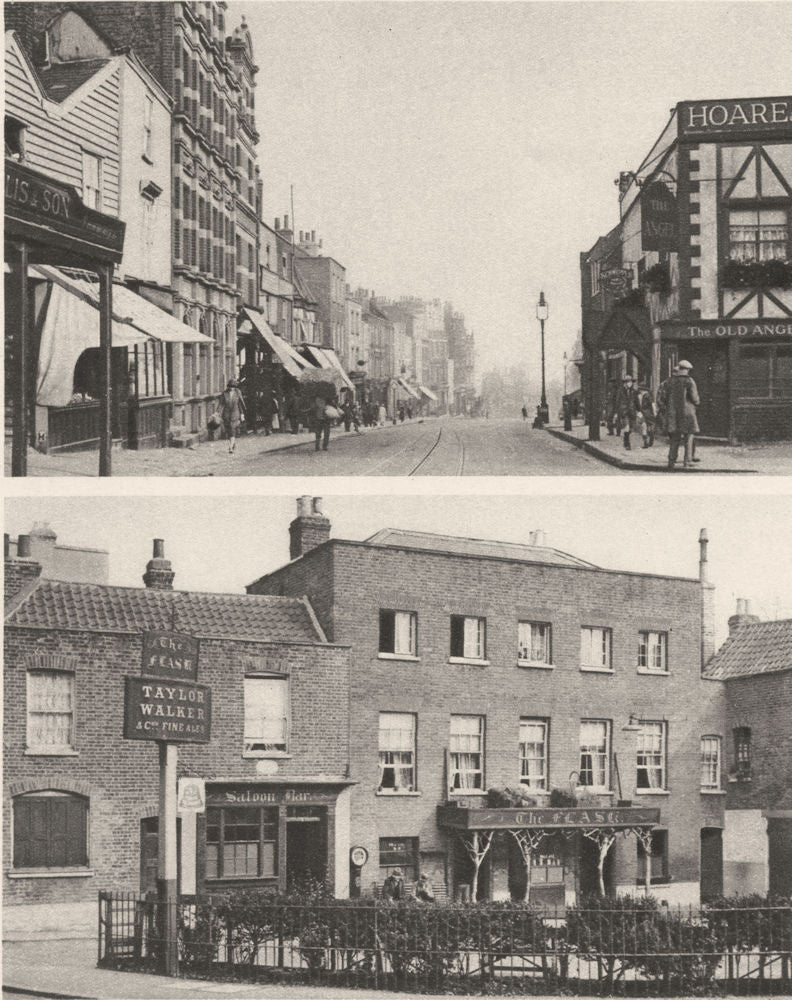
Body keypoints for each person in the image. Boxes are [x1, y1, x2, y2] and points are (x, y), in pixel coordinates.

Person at [665, 359, 700, 469]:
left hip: (674, 413)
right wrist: (697, 403)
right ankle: (687, 461)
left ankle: (671, 462)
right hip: (687, 414)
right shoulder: (689, 381)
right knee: (689, 438)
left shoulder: (670, 381)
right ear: (687, 370)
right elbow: (695, 398)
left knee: (674, 438)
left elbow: (665, 397)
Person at [615, 373, 641, 450]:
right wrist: (616, 412)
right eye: (627, 382)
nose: (629, 383)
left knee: (631, 429)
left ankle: (625, 439)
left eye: (630, 382)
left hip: (632, 412)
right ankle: (627, 444)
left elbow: (637, 402)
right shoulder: (620, 391)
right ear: (625, 383)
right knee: (627, 427)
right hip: (624, 412)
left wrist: (639, 411)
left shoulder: (634, 391)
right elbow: (617, 402)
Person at [220, 378, 245, 454]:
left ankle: (230, 447)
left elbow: (240, 404)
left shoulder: (238, 392)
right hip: (226, 413)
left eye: (233, 387)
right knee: (228, 429)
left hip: (235, 412)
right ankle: (232, 442)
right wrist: (217, 412)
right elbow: (221, 404)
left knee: (232, 428)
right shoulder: (224, 393)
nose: (231, 388)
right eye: (230, 386)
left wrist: (242, 414)